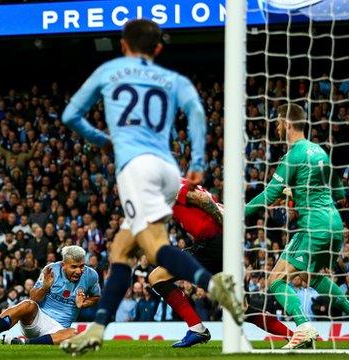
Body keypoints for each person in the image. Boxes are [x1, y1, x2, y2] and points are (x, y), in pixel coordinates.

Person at [59, 18, 243, 355]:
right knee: (122, 249)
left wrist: (102, 142)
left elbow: (71, 116)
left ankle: (212, 284)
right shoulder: (174, 79)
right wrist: (199, 162)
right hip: (168, 167)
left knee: (155, 247)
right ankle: (98, 328)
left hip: (137, 166)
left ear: (123, 46)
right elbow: (197, 114)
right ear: (158, 49)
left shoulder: (110, 71)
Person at [245, 103, 349, 349]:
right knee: (309, 276)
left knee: (275, 279)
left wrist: (237, 213)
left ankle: (303, 327)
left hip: (314, 226)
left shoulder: (294, 155)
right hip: (335, 224)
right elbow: (340, 192)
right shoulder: (320, 151)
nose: (278, 128)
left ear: (287, 124)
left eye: (279, 123)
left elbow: (269, 196)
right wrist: (297, 192)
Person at [148, 178, 293, 348]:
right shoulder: (184, 185)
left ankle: (197, 328)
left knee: (157, 277)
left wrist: (221, 220)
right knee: (240, 306)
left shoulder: (172, 184)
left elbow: (203, 200)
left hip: (211, 243)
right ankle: (294, 336)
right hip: (224, 243)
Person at [0, 245, 100, 346]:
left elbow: (96, 297)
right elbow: (34, 298)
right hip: (38, 319)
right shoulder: (51, 270)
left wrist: (84, 303)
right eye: (74, 267)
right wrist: (45, 287)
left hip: (59, 329)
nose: (79, 271)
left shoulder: (91, 275)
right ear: (63, 265)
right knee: (28, 304)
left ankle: (23, 343)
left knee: (74, 333)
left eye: (82, 266)